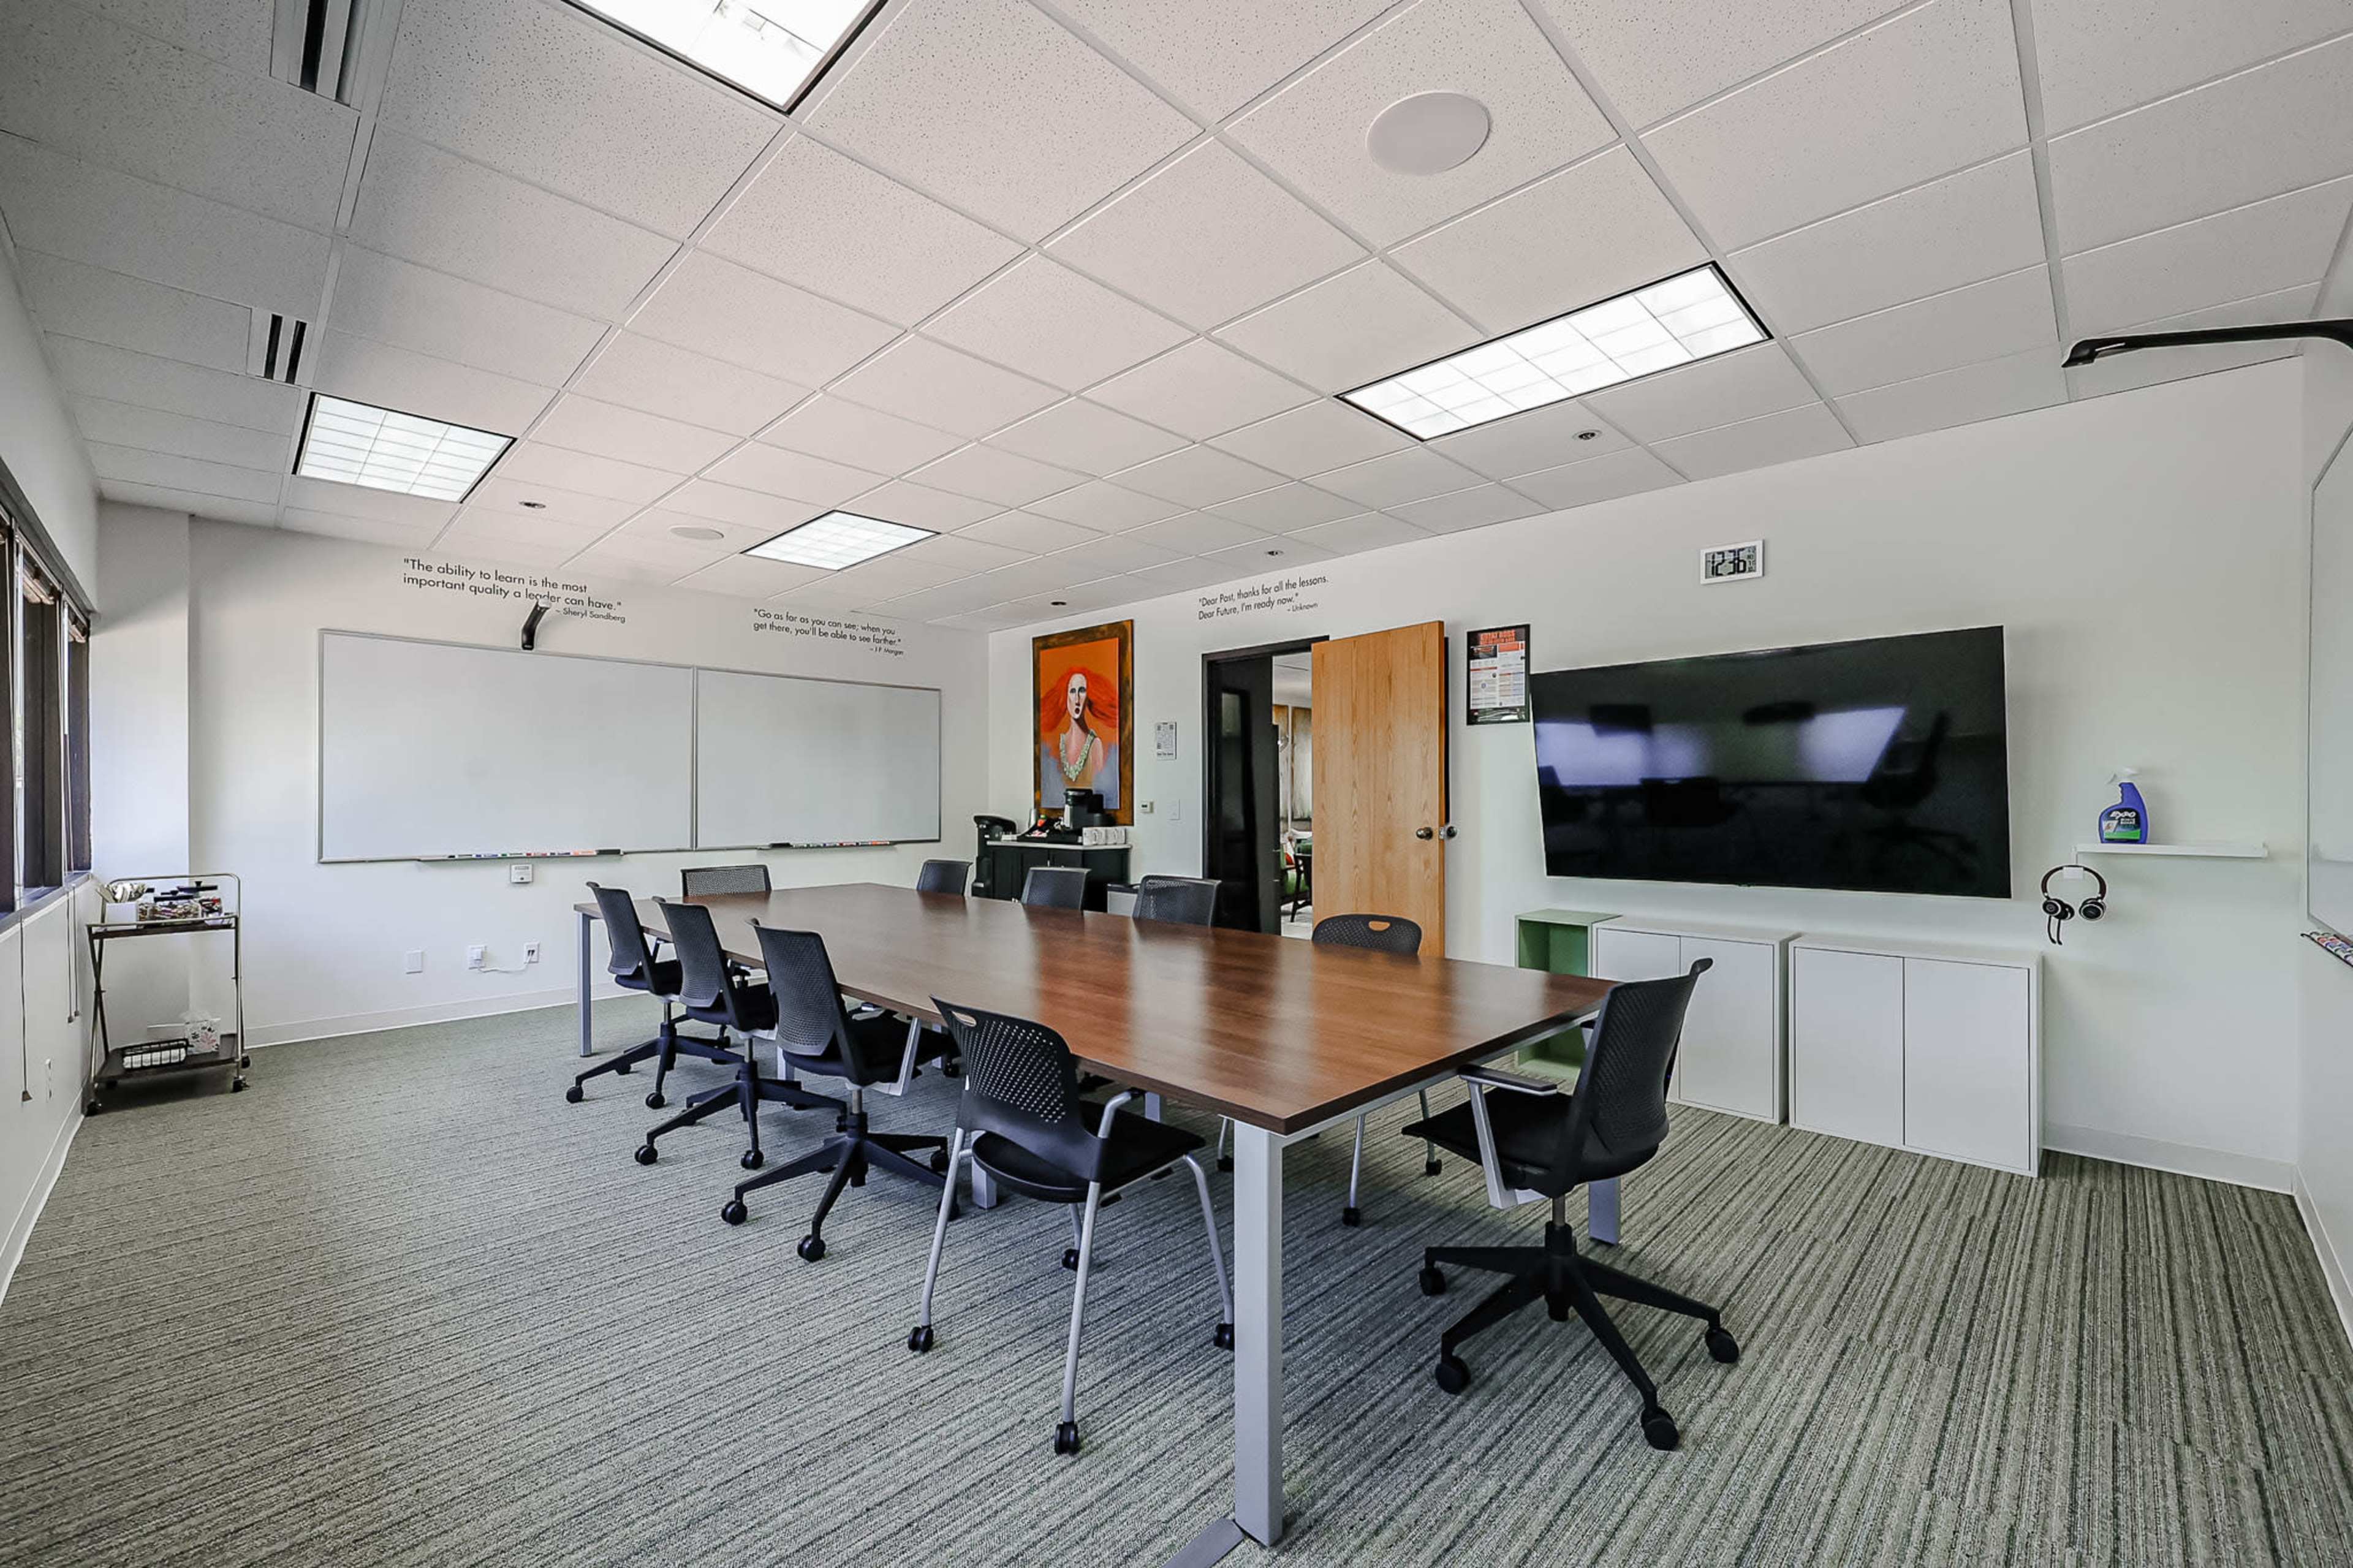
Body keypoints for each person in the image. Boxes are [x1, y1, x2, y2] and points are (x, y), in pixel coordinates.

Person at [1040, 667, 1120, 812]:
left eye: (1082, 691)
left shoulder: (1096, 745)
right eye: (1072, 691)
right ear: (1066, 696)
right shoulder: (1056, 747)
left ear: (1089, 697)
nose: (1077, 699)